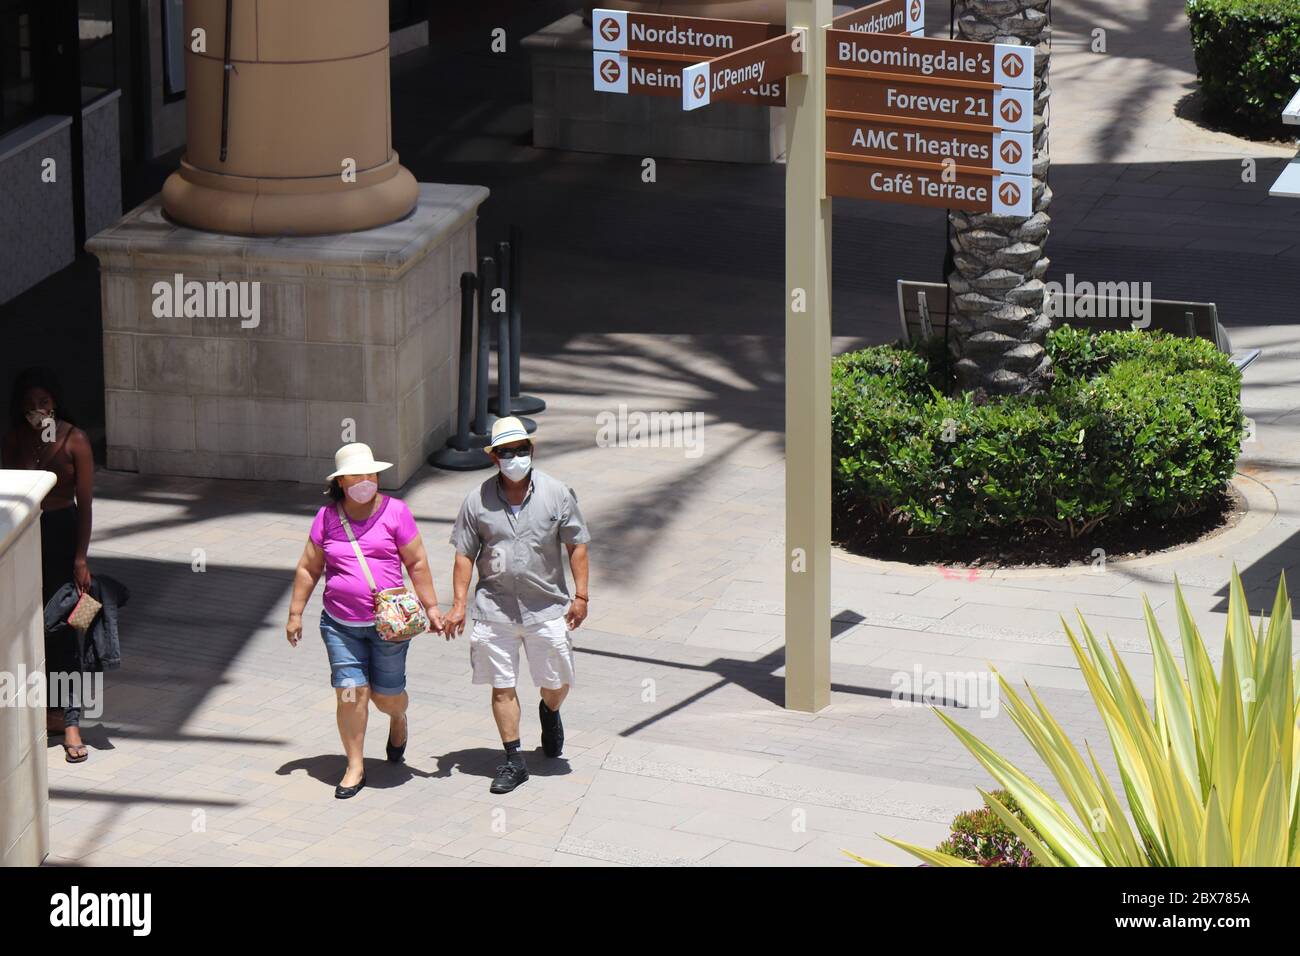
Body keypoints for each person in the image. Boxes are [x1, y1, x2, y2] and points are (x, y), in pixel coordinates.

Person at [286, 443, 446, 798]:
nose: (365, 480)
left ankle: (398, 718)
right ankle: (355, 765)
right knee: (350, 694)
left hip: (390, 626)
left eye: (371, 474)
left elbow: (416, 562)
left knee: (386, 697)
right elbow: (309, 568)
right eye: (357, 475)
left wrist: (432, 607)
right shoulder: (327, 518)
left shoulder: (396, 512)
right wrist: (296, 613)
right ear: (342, 482)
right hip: (340, 625)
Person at [445, 417, 591, 794]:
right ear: (494, 457)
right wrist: (459, 604)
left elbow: (577, 545)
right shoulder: (476, 500)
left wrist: (582, 595)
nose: (515, 458)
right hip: (494, 609)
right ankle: (514, 760)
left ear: (532, 450)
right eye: (506, 452)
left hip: (546, 607)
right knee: (502, 685)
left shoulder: (557, 494)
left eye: (521, 450)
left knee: (557, 682)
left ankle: (550, 710)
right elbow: (464, 554)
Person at [2, 368, 96, 763]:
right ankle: (44, 712)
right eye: (29, 404)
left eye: (43, 403)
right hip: (25, 539)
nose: (36, 410)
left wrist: (80, 557)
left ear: (54, 402)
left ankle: (71, 721)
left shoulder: (74, 439)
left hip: (61, 536)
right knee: (27, 629)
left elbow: (86, 504)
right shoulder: (13, 439)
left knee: (63, 631)